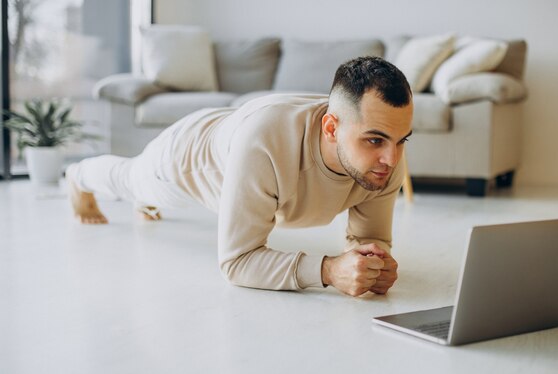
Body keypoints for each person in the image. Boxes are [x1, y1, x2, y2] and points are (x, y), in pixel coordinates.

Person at [67, 56, 414, 297]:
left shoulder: (384, 159)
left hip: (236, 132)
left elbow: (370, 240)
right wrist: (328, 271)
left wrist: (374, 267)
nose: (392, 158)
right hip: (188, 156)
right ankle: (78, 176)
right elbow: (236, 262)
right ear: (331, 128)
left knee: (144, 197)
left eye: (401, 140)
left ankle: (142, 202)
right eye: (375, 140)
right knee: (131, 180)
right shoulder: (265, 144)